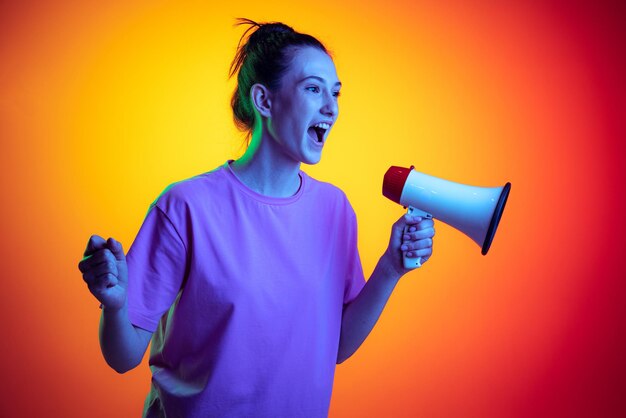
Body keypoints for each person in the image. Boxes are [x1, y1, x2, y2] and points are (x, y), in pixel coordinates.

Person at [78, 19, 434, 418]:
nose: (331, 108)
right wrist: (114, 304)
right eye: (313, 89)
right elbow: (123, 356)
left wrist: (390, 267)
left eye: (335, 93)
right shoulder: (186, 206)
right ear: (264, 101)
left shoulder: (335, 210)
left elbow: (335, 347)